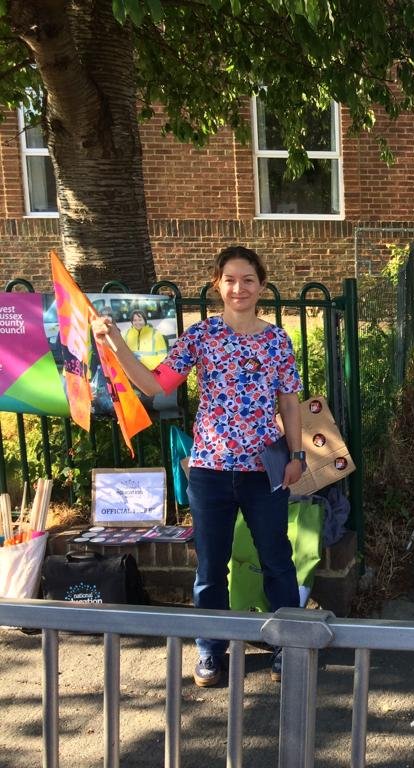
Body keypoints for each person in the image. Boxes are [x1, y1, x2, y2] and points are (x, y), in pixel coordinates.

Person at [92, 245, 305, 688]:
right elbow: (154, 382)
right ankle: (211, 651)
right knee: (210, 566)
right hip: (209, 471)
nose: (239, 287)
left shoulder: (276, 340)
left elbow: (288, 399)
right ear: (217, 285)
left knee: (277, 560)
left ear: (261, 286)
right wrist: (113, 342)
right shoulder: (201, 337)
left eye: (248, 279)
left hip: (264, 469)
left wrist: (297, 455)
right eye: (230, 279)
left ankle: (290, 645)